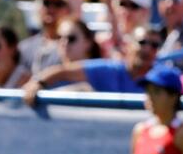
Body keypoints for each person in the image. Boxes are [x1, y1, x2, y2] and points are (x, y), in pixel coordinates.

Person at [23, 25, 164, 103]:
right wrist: (37, 82)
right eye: (142, 42)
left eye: (154, 45)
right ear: (128, 45)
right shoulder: (110, 69)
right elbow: (63, 71)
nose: (147, 48)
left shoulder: (163, 79)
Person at [18, 0, 74, 74]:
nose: (51, 9)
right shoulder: (24, 48)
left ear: (69, 9)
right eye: (46, 3)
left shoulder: (75, 45)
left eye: (58, 4)